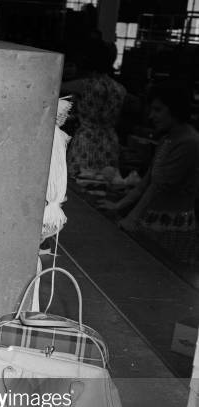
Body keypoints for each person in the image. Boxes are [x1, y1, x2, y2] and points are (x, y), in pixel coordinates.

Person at [99, 82, 199, 263]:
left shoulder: (189, 142)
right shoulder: (168, 139)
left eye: (158, 110)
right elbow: (147, 181)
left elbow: (158, 187)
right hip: (154, 224)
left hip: (173, 230)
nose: (151, 116)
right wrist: (118, 206)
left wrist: (130, 220)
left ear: (175, 110)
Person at [63, 38, 126, 176]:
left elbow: (54, 87)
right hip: (110, 142)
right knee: (105, 184)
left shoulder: (85, 85)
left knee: (80, 181)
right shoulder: (120, 89)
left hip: (87, 141)